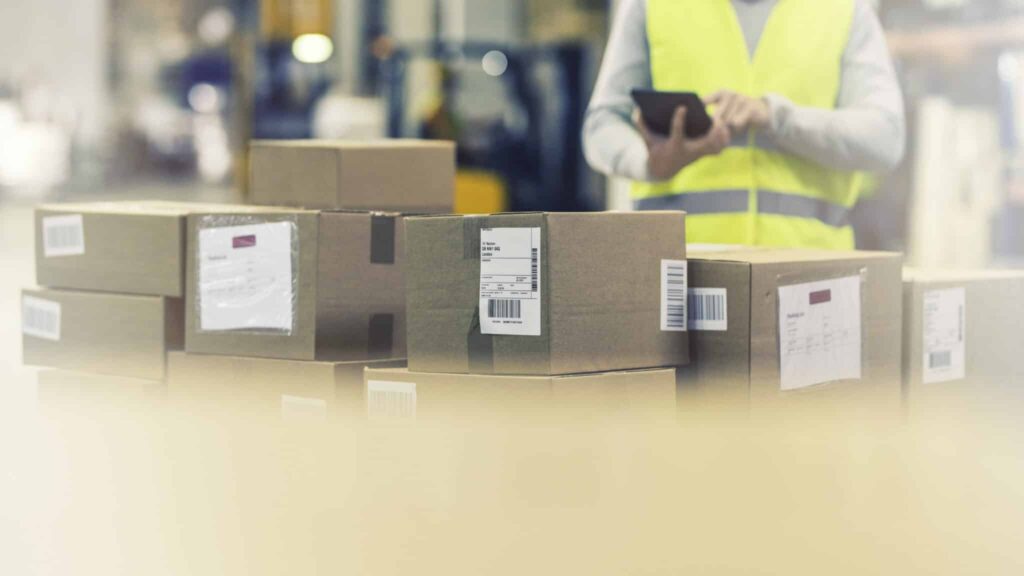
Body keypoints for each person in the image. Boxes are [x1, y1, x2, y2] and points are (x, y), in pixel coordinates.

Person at [583, 0, 906, 249]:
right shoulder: (652, 4)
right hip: (677, 271)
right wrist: (648, 162)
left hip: (808, 278)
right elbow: (601, 125)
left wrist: (774, 116)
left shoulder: (845, 8)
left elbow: (885, 137)